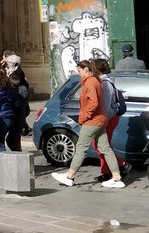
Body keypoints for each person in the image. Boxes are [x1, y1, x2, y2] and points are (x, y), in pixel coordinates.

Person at [52, 59, 124, 189]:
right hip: (100, 120)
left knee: (81, 148)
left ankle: (69, 176)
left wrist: (83, 117)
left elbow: (93, 103)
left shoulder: (90, 82)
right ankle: (117, 178)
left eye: (79, 71)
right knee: (105, 148)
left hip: (92, 121)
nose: (78, 73)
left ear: (86, 69)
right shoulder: (97, 81)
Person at [93, 56, 128, 184]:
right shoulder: (103, 81)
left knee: (101, 146)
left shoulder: (105, 83)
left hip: (107, 119)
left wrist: (102, 121)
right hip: (107, 118)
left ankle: (121, 164)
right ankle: (107, 172)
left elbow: (106, 105)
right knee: (100, 145)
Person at [5, 68, 29, 152]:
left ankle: (19, 158)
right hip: (21, 120)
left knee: (11, 140)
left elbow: (15, 107)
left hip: (17, 120)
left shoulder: (16, 96)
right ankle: (18, 156)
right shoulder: (22, 95)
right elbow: (27, 110)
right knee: (15, 140)